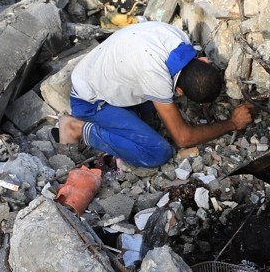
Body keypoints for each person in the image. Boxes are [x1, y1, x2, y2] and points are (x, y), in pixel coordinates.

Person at [56, 22, 253, 169]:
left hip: (105, 76)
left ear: (203, 61)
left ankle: (121, 123)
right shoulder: (155, 75)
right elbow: (183, 138)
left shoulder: (179, 39)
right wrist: (232, 124)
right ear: (179, 92)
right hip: (89, 101)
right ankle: (76, 128)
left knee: (153, 121)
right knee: (157, 152)